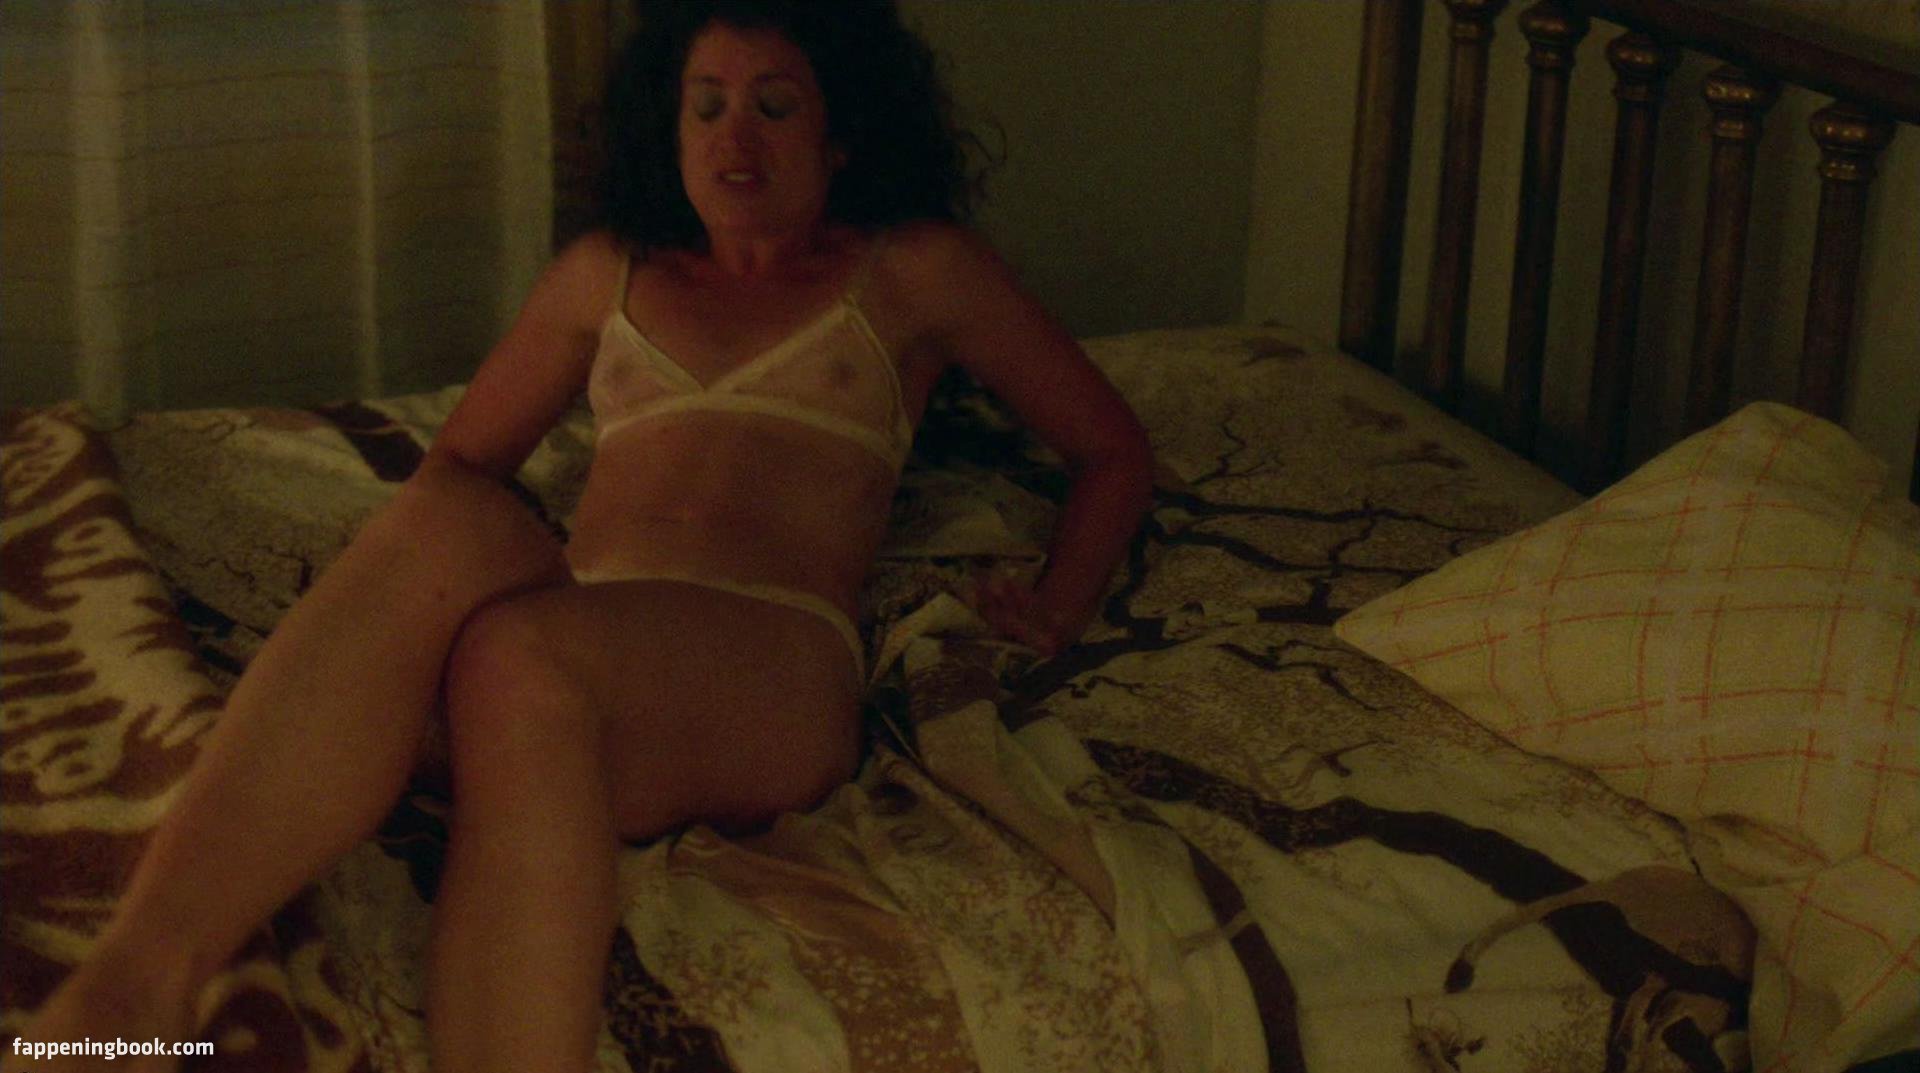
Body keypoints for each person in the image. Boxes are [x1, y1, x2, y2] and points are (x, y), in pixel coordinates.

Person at [6, 2, 1153, 1070]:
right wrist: (400, 606)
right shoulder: (607, 273)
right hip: (583, 633)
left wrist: (1058, 601)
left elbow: (1111, 448)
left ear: (840, 134)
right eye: (706, 105)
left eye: (773, 105)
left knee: (519, 655)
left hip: (767, 659)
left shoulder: (914, 271)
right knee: (453, 527)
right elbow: (459, 469)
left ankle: (136, 995)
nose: (733, 137)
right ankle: (135, 982)